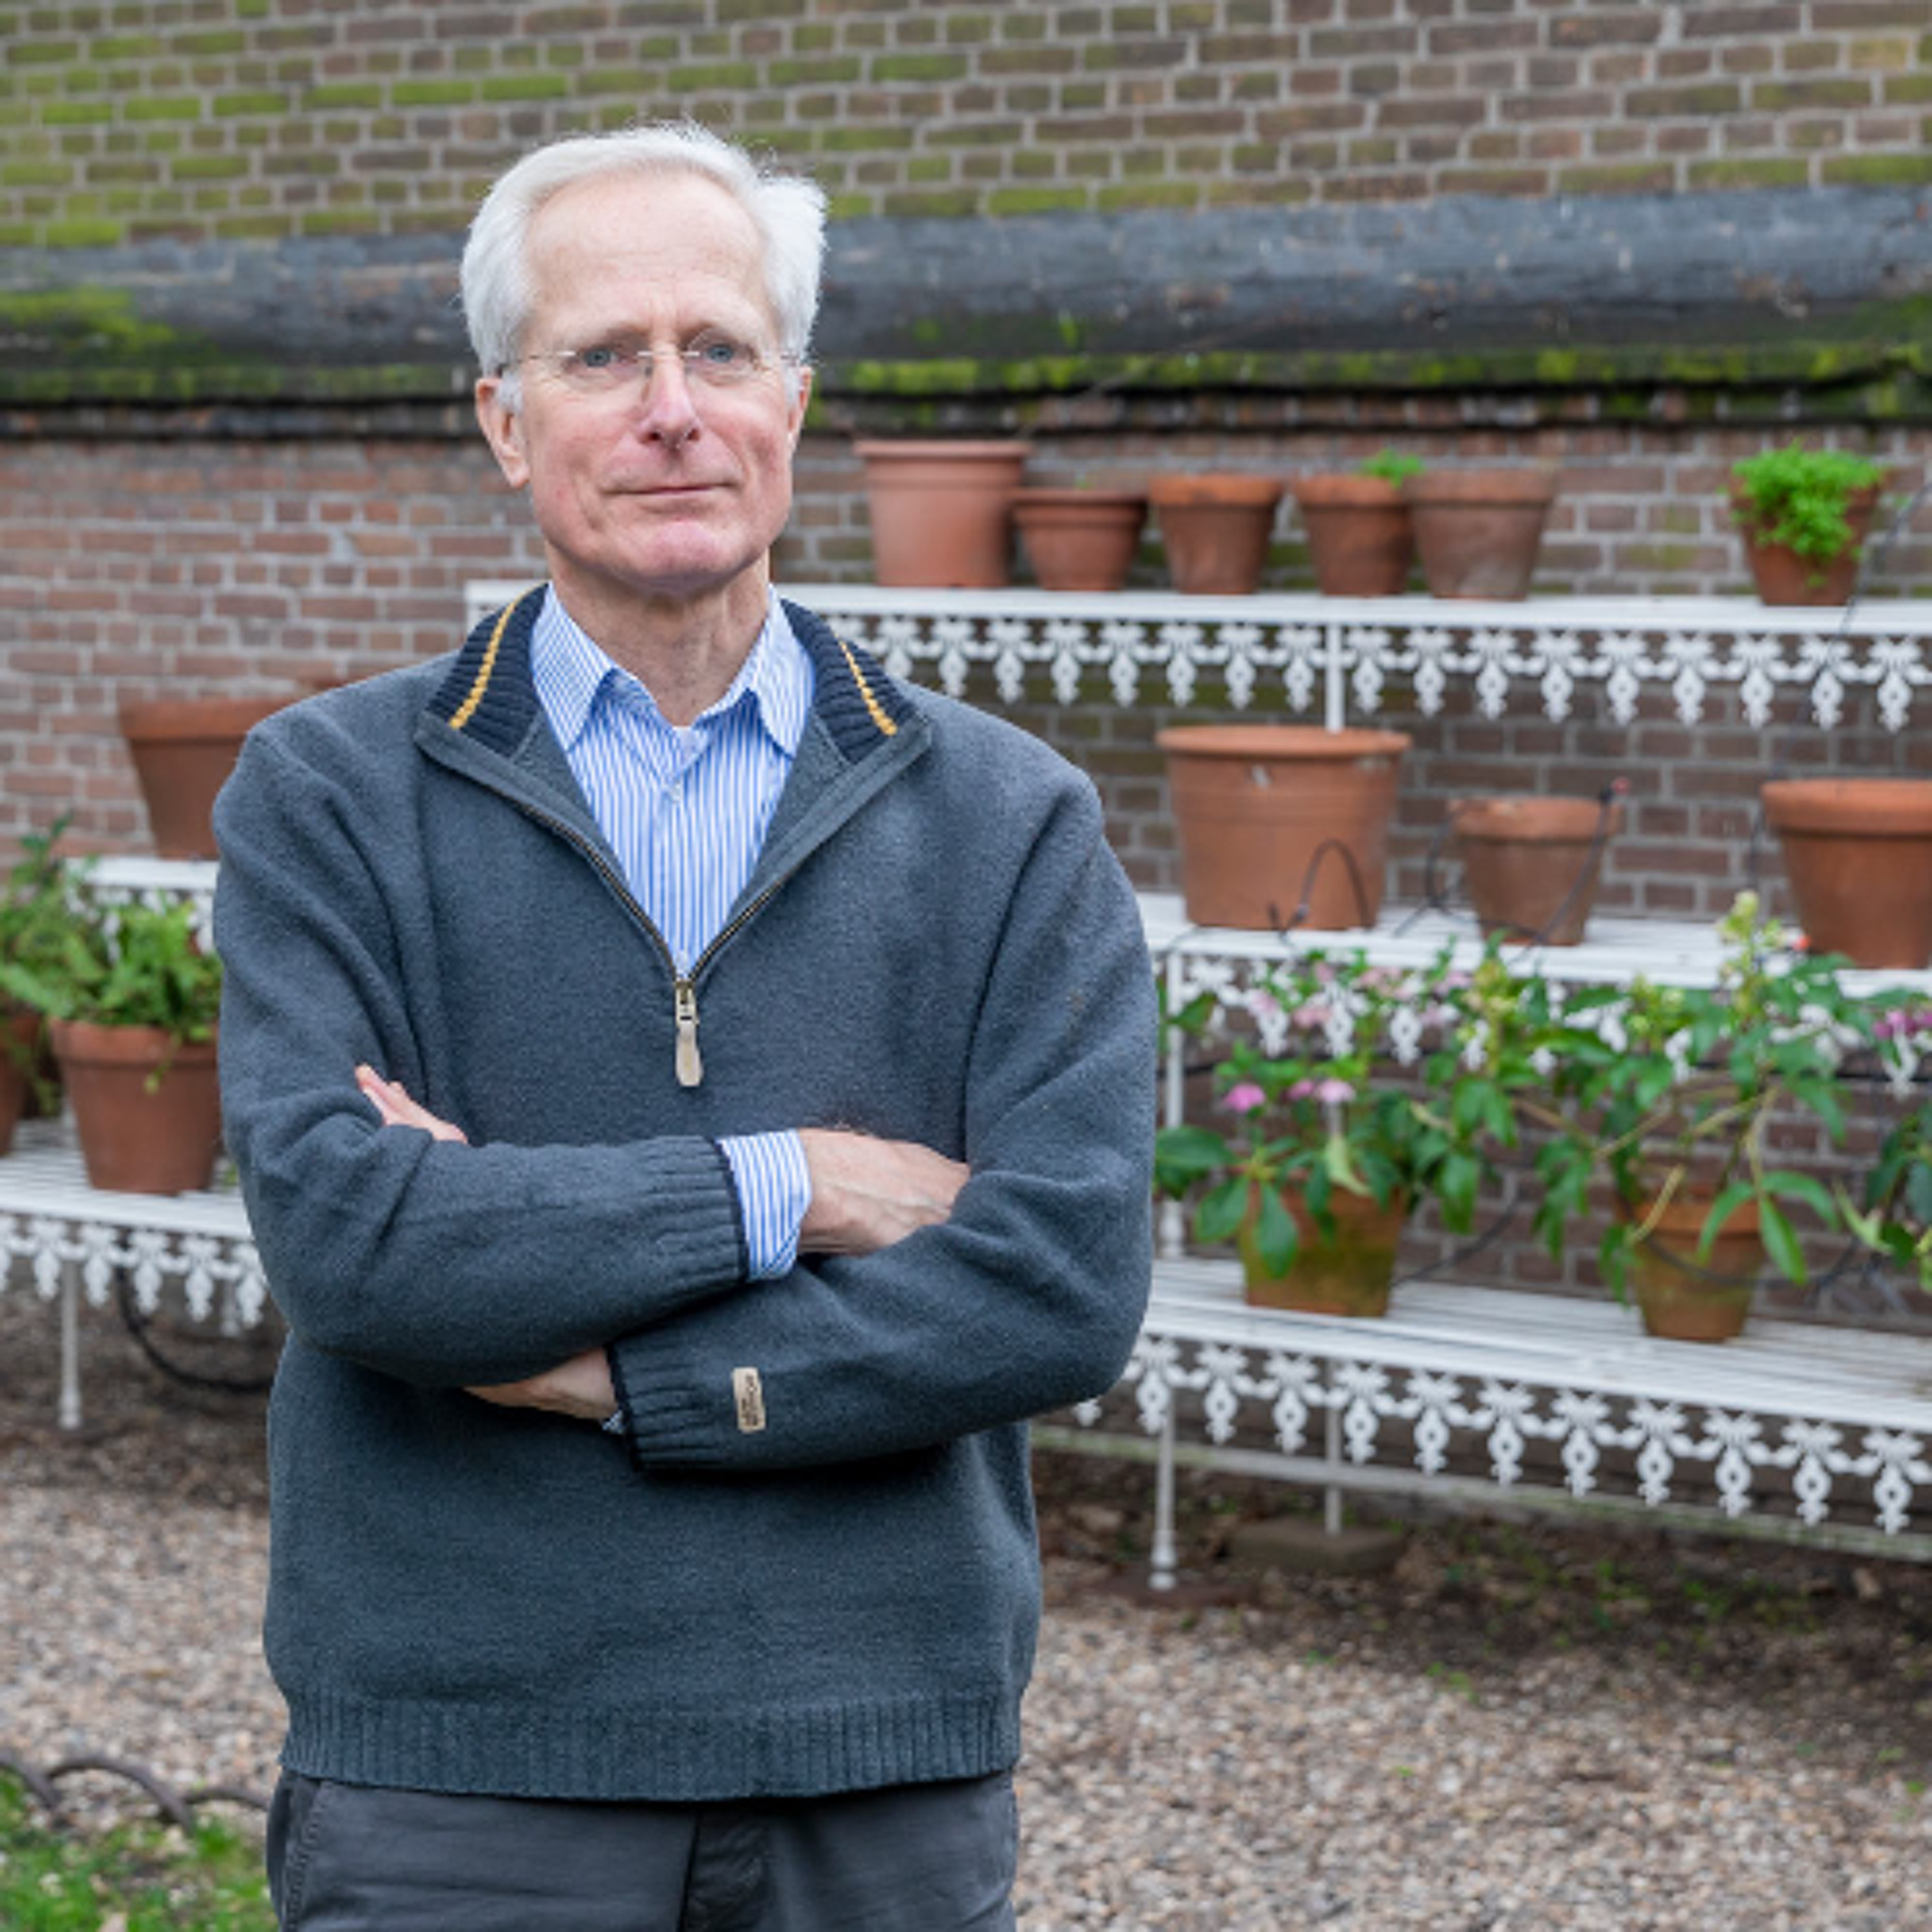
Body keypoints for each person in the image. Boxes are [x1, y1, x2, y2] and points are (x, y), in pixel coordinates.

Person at [213, 121, 1155, 1931]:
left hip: (875, 1763)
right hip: (462, 1780)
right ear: (505, 420)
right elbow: (355, 1245)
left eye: (719, 349)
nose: (672, 409)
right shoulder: (326, 795)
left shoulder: (1009, 817)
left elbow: (1061, 1279)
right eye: (603, 357)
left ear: (793, 398)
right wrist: (797, 1181)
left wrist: (606, 1373)